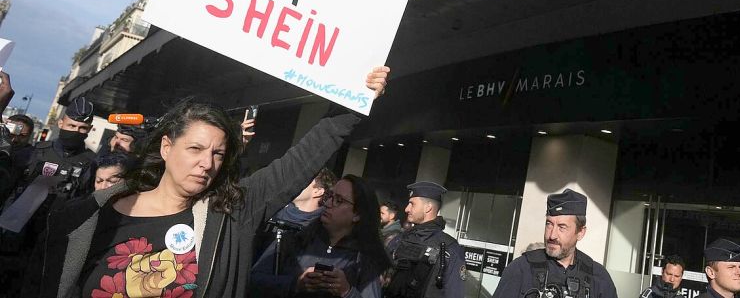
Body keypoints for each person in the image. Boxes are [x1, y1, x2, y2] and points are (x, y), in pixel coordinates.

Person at [21, 66, 389, 298]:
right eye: (195, 148)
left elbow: (304, 156)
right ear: (166, 146)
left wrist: (353, 96)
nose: (206, 163)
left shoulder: (233, 214)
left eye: (217, 153)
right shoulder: (80, 220)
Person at [251, 174, 391, 298]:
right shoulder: (294, 239)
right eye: (330, 197)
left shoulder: (364, 259)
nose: (328, 204)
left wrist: (346, 291)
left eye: (339, 200)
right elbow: (252, 281)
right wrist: (296, 283)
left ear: (357, 214)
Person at [492, 188, 618, 298]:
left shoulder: (598, 277)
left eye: (562, 227)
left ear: (580, 232)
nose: (552, 235)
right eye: (549, 224)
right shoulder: (521, 269)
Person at [385, 181, 466, 298]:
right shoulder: (399, 239)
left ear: (428, 208)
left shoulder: (450, 248)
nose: (407, 209)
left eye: (412, 204)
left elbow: (455, 294)